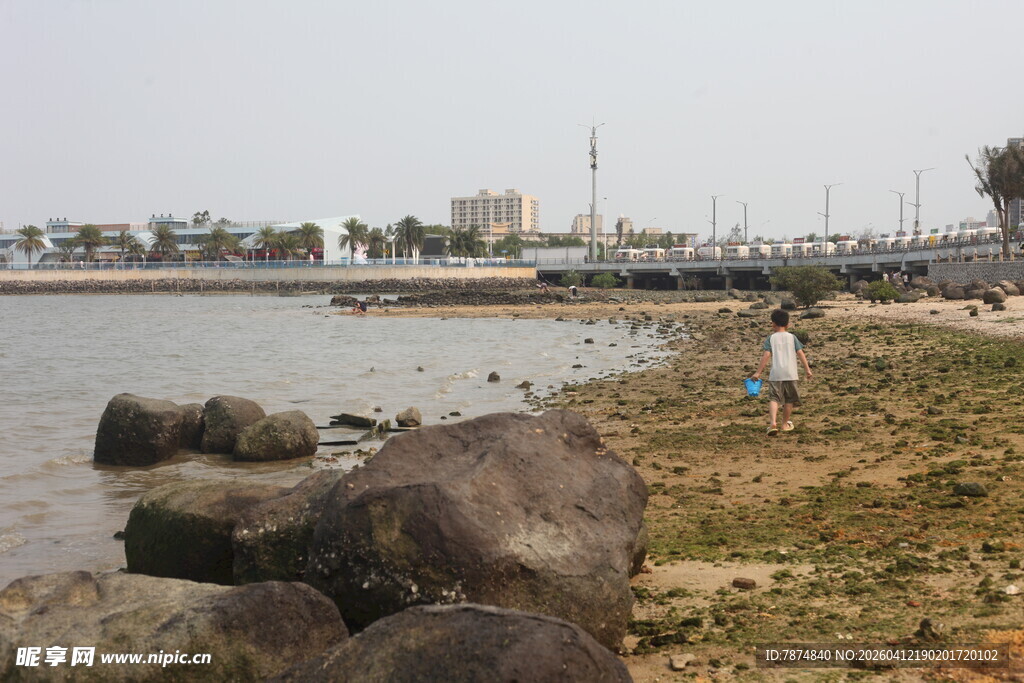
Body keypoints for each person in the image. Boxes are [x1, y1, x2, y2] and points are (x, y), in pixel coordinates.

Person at [749, 309, 813, 437]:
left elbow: (766, 355)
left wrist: (758, 372)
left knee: (774, 399)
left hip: (776, 374)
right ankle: (784, 424)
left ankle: (773, 423)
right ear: (788, 324)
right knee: (789, 400)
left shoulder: (771, 338)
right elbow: (800, 353)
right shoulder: (792, 337)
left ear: (773, 324)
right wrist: (807, 370)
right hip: (791, 374)